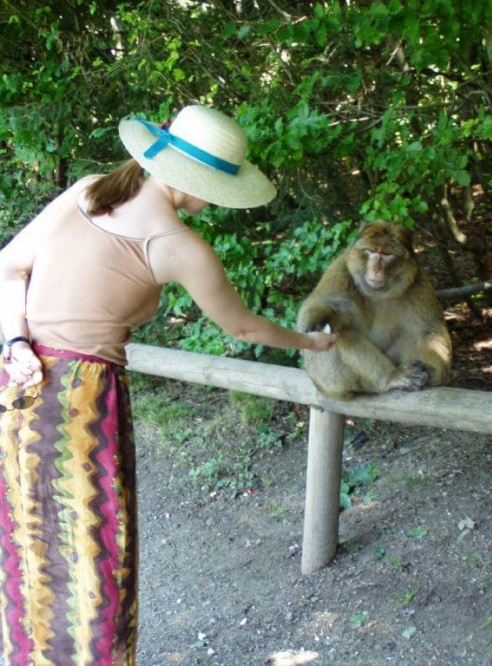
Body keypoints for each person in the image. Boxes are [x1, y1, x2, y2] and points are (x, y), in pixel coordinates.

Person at [0, 104, 336, 666]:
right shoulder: (178, 246)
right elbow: (243, 326)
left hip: (20, 381)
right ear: (196, 184)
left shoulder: (87, 191)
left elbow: (8, 266)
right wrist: (313, 344)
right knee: (93, 555)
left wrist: (14, 343)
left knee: (31, 540)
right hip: (82, 399)